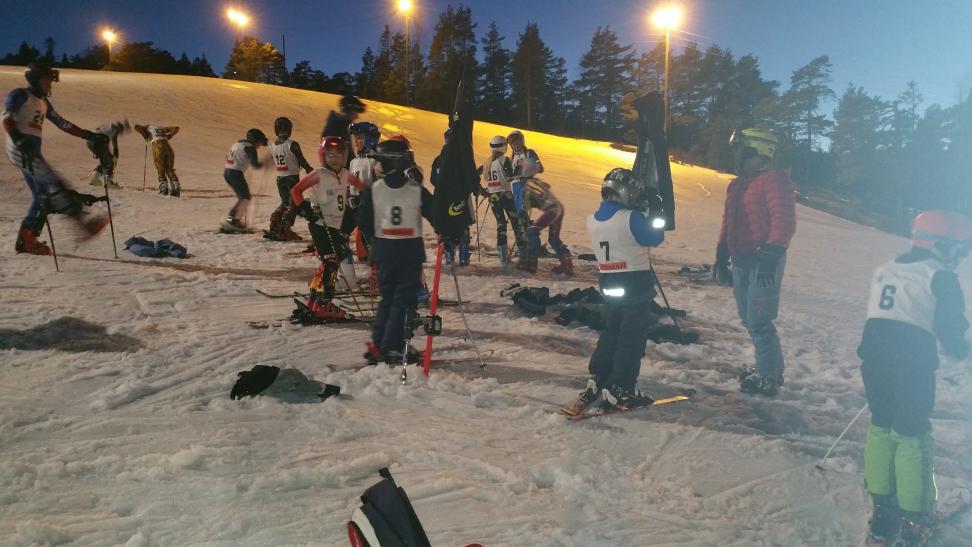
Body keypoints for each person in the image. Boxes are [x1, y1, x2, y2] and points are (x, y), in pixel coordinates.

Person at [859, 210, 971, 545]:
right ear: (945, 246)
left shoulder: (888, 269)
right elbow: (952, 335)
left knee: (880, 426)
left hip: (874, 360)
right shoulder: (940, 276)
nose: (963, 256)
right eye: (961, 249)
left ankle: (883, 505)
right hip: (912, 366)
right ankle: (914, 516)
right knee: (912, 436)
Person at [567, 168, 666, 412]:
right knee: (631, 337)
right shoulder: (630, 218)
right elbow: (654, 237)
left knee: (611, 331)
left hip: (610, 282)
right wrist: (657, 213)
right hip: (634, 283)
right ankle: (621, 387)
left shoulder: (593, 219)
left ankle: (599, 377)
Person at [714, 129, 796, 396]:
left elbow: (783, 220)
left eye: (743, 151)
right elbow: (728, 220)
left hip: (764, 261)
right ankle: (769, 369)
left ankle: (768, 377)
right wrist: (721, 253)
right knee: (748, 319)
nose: (737, 156)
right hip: (740, 259)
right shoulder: (736, 185)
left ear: (758, 153)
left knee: (760, 321)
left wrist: (772, 254)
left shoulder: (774, 181)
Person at [3, 62, 109, 255]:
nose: (50, 84)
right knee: (56, 185)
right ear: (35, 80)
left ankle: (26, 239)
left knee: (42, 195)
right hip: (21, 150)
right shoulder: (20, 94)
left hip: (31, 151)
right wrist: (19, 140)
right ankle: (83, 224)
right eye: (47, 80)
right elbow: (6, 118)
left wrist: (88, 135)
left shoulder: (44, 103)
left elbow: (62, 123)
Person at [358, 137, 435, 363]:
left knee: (388, 297)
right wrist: (445, 229)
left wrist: (379, 233)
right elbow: (434, 213)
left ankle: (379, 342)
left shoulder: (374, 189)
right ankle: (392, 346)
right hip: (409, 250)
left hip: (384, 249)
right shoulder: (415, 189)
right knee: (404, 299)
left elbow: (363, 220)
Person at [289, 136, 365, 322]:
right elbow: (295, 191)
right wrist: (306, 210)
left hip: (335, 225)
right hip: (320, 224)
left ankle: (315, 299)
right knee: (331, 261)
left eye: (339, 155)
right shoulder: (319, 174)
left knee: (329, 262)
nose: (335, 159)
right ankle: (324, 303)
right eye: (330, 156)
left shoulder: (345, 173)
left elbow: (361, 185)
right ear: (323, 156)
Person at [516, 156, 572, 275]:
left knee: (531, 231)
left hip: (551, 209)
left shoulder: (529, 184)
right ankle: (567, 264)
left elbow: (534, 199)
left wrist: (526, 206)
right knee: (553, 238)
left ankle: (531, 262)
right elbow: (543, 191)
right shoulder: (534, 182)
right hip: (558, 208)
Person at [265, 117, 313, 241]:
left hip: (280, 178)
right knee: (294, 204)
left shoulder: (272, 146)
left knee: (285, 202)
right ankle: (285, 229)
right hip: (291, 178)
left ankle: (275, 221)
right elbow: (302, 160)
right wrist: (309, 170)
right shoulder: (292, 144)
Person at [430, 129, 472, 266]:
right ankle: (463, 258)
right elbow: (467, 177)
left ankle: (449, 257)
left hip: (442, 199)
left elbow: (433, 180)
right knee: (462, 226)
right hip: (458, 197)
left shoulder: (438, 159)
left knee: (447, 228)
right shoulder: (461, 157)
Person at [481, 135, 525, 265]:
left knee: (501, 225)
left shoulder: (487, 162)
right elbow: (509, 177)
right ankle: (522, 254)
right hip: (505, 195)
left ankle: (503, 258)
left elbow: (477, 173)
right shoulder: (504, 160)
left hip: (492, 197)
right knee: (515, 222)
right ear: (503, 146)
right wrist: (519, 169)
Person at [221, 128, 267, 233]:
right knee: (245, 197)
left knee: (242, 197)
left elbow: (227, 156)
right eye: (259, 143)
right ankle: (233, 220)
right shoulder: (250, 147)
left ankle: (231, 219)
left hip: (227, 171)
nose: (259, 146)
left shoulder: (238, 143)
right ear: (255, 141)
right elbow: (255, 165)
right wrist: (266, 162)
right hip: (236, 173)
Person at [134, 122, 180, 196]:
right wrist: (170, 135)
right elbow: (177, 128)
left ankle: (164, 189)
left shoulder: (147, 128)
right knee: (169, 169)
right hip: (168, 148)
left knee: (160, 168)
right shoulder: (163, 128)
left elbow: (136, 127)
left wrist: (145, 135)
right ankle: (176, 189)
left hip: (158, 147)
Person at [87, 119, 129, 189]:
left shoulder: (108, 126)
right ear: (121, 128)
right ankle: (108, 182)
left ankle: (95, 178)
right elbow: (114, 144)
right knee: (110, 161)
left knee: (105, 161)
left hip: (89, 141)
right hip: (98, 141)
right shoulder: (115, 129)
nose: (121, 133)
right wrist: (116, 154)